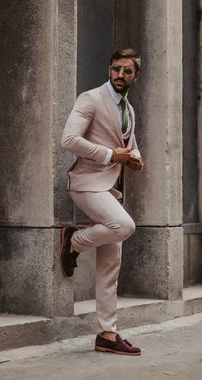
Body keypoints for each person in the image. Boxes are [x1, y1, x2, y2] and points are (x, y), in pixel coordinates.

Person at [60, 47, 144, 356]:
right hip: (86, 184)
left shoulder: (128, 109)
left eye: (127, 71)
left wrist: (135, 159)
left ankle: (108, 334)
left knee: (111, 263)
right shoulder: (90, 98)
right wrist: (111, 155)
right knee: (123, 225)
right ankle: (74, 241)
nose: (120, 75)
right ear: (109, 69)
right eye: (116, 69)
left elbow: (129, 146)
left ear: (136, 75)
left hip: (110, 189)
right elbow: (69, 140)